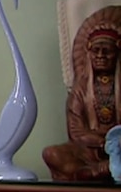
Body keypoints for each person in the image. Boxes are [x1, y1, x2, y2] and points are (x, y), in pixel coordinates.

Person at [43, 24, 121, 181]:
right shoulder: (81, 89)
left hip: (118, 148)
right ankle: (100, 170)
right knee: (51, 153)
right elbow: (75, 131)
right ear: (88, 54)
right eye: (95, 51)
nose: (100, 56)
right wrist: (101, 142)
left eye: (107, 51)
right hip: (90, 150)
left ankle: (99, 171)